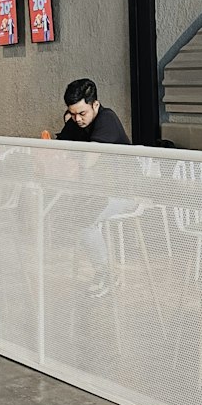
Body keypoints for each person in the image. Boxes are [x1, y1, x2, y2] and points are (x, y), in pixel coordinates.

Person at [55, 78, 134, 298]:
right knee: (70, 211)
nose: (78, 119)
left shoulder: (106, 119)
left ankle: (107, 275)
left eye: (82, 113)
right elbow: (58, 151)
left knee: (83, 217)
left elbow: (87, 160)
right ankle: (103, 273)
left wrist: (67, 158)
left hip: (128, 192)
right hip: (97, 193)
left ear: (95, 106)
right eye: (72, 114)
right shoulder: (74, 121)